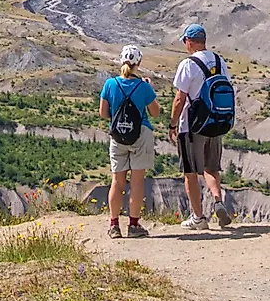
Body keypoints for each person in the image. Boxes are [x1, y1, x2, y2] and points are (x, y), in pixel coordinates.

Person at [172, 22, 235, 231]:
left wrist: (173, 124)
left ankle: (198, 217)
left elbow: (180, 98)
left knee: (190, 172)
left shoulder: (188, 64)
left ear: (189, 41)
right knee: (211, 167)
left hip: (192, 126)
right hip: (215, 122)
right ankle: (218, 201)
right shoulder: (219, 61)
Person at [99, 45, 157, 239]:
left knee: (117, 180)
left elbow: (103, 113)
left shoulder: (110, 84)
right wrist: (148, 88)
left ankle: (114, 225)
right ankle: (133, 225)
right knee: (137, 181)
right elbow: (155, 112)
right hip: (141, 134)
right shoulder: (143, 86)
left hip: (117, 136)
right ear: (138, 63)